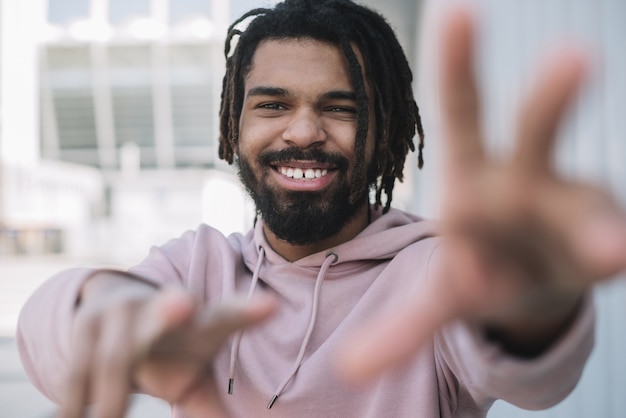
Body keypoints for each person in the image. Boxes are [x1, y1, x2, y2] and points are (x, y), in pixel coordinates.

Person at [17, 0, 626, 417]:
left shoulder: (440, 271)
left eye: (341, 107)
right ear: (234, 127)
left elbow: (536, 379)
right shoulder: (194, 269)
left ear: (386, 136)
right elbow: (45, 336)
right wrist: (96, 303)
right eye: (273, 105)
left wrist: (530, 305)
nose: (303, 132)